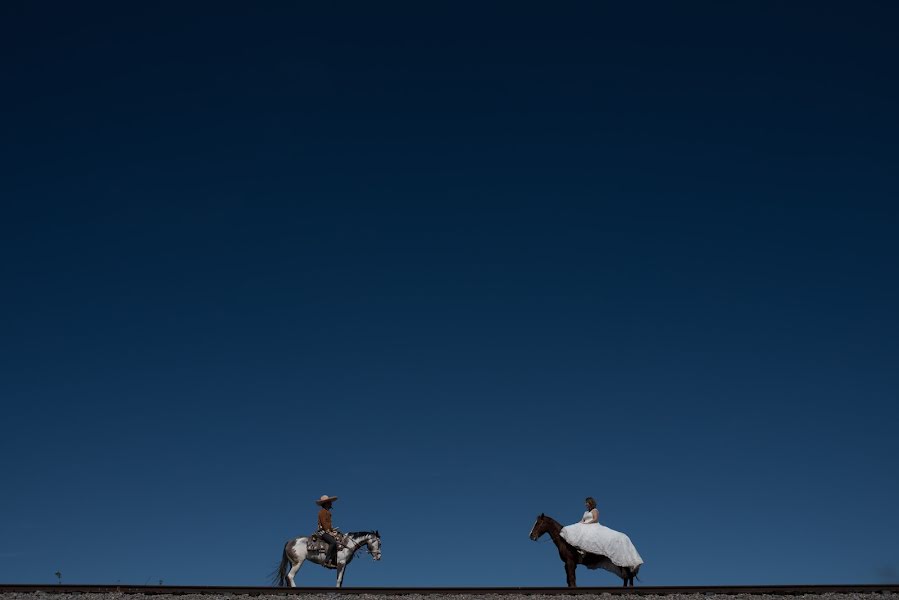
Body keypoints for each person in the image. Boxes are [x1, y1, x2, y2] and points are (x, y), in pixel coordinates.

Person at [560, 496, 643, 572]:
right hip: (585, 526)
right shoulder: (585, 513)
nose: (585, 504)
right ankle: (582, 551)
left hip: (592, 525)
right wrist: (577, 525)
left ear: (590, 503)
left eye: (587, 503)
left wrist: (587, 524)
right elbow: (581, 520)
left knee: (589, 537)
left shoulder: (595, 510)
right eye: (585, 503)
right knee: (579, 535)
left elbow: (595, 519)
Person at [315, 494, 340, 568]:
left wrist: (333, 530)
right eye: (329, 502)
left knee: (338, 539)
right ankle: (326, 561)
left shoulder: (327, 512)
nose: (331, 503)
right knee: (333, 542)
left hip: (327, 531)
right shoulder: (322, 512)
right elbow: (324, 523)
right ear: (326, 503)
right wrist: (329, 532)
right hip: (322, 532)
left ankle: (334, 560)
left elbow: (328, 524)